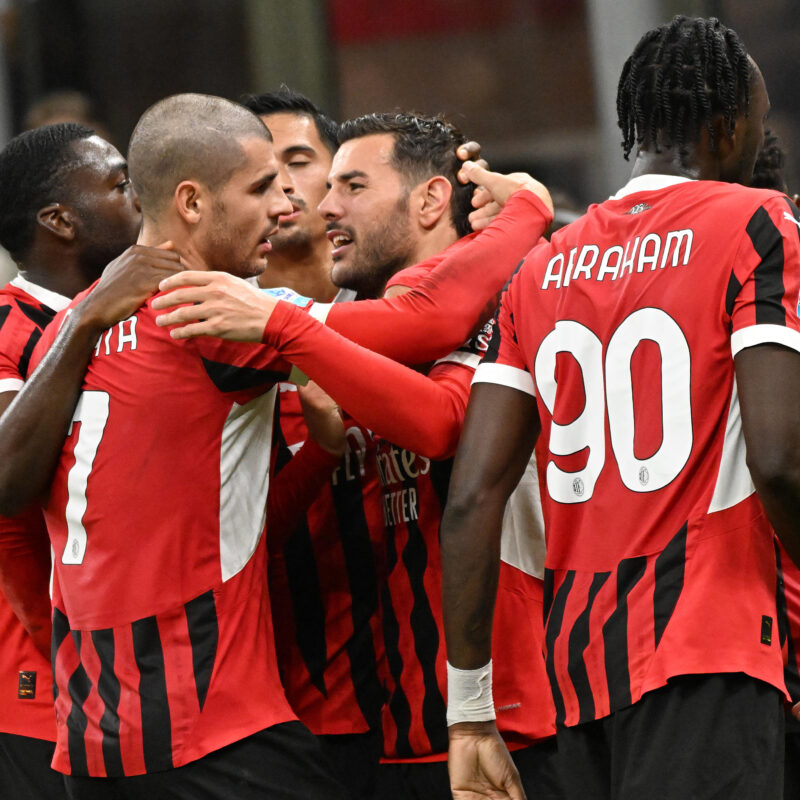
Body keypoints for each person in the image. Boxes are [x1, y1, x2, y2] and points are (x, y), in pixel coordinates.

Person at [438, 15, 800, 799]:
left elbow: (471, 499)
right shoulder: (757, 223)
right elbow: (779, 460)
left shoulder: (539, 270)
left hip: (579, 676)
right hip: (709, 654)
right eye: (760, 123)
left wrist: (469, 714)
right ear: (728, 123)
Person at [152, 112, 559, 799]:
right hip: (399, 724)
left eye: (353, 184)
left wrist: (528, 211)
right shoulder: (358, 321)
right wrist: (319, 450)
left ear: (431, 200)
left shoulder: (506, 292)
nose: (325, 206)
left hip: (511, 716)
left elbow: (441, 420)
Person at [0, 122, 183, 800]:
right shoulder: (8, 326)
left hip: (153, 683)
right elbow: (7, 486)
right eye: (117, 183)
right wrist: (89, 318)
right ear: (58, 220)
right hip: (43, 692)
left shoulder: (154, 311)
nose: (138, 195)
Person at [243, 88, 387, 800]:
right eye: (262, 171)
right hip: (292, 721)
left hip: (433, 701)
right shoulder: (215, 343)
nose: (284, 186)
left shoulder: (402, 320)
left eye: (299, 161)